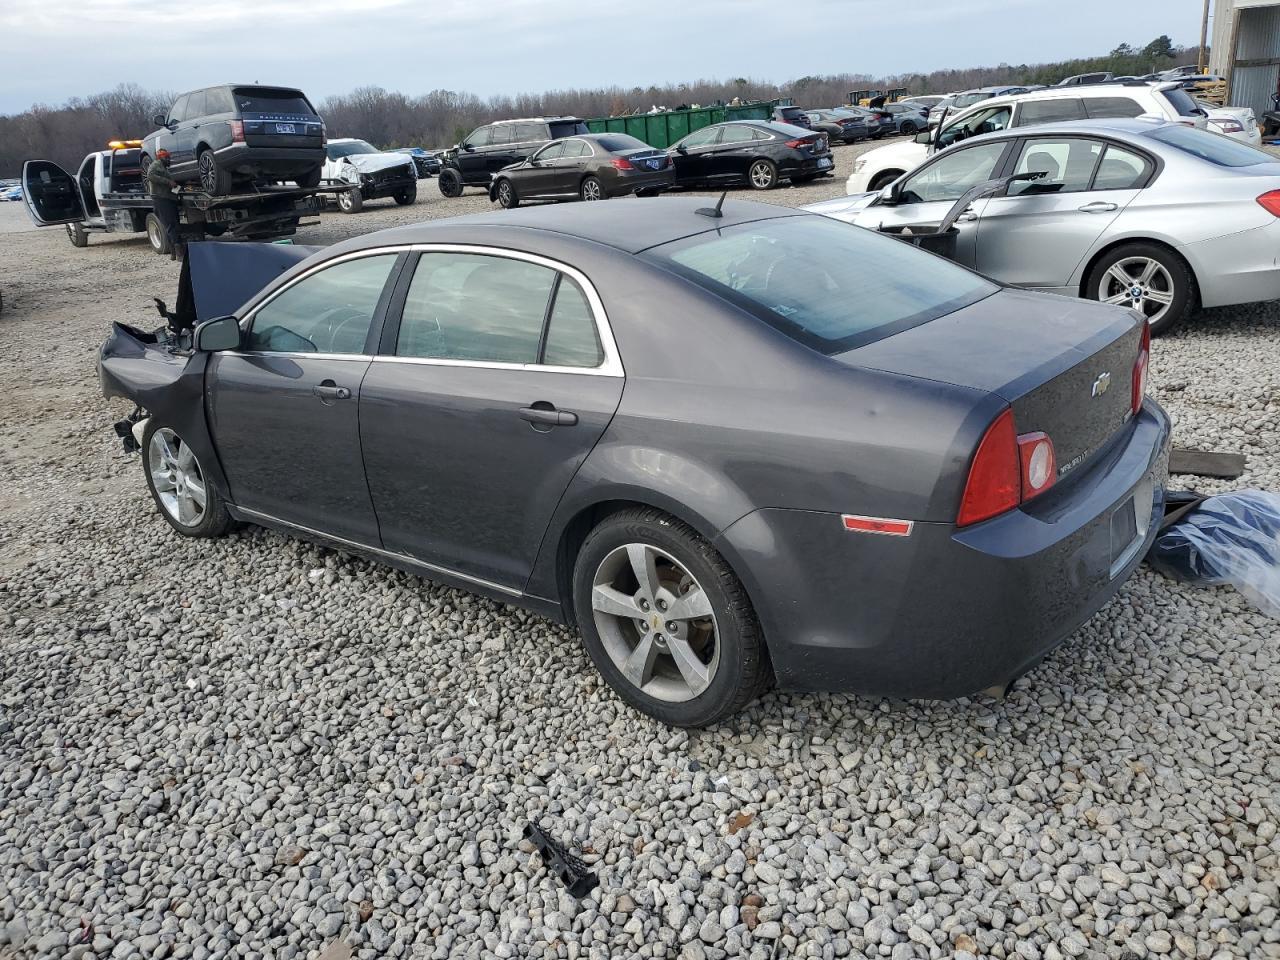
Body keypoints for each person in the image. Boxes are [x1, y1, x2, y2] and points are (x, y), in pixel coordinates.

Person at [145, 149, 181, 259]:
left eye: (169, 157)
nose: (169, 160)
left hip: (167, 199)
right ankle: (178, 253)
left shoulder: (163, 167)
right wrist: (168, 182)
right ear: (161, 157)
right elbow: (150, 175)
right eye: (167, 157)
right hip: (161, 200)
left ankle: (174, 253)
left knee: (173, 225)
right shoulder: (155, 165)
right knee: (171, 225)